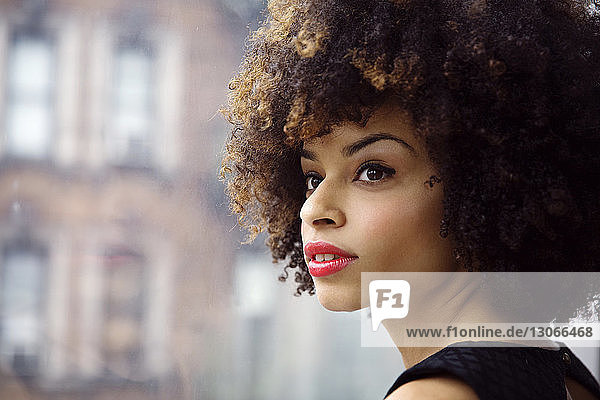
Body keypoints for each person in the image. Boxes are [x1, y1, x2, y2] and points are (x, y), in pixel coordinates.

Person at [221, 0, 600, 398]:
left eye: (373, 172)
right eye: (313, 177)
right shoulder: (566, 376)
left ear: (483, 189)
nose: (314, 210)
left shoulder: (433, 394)